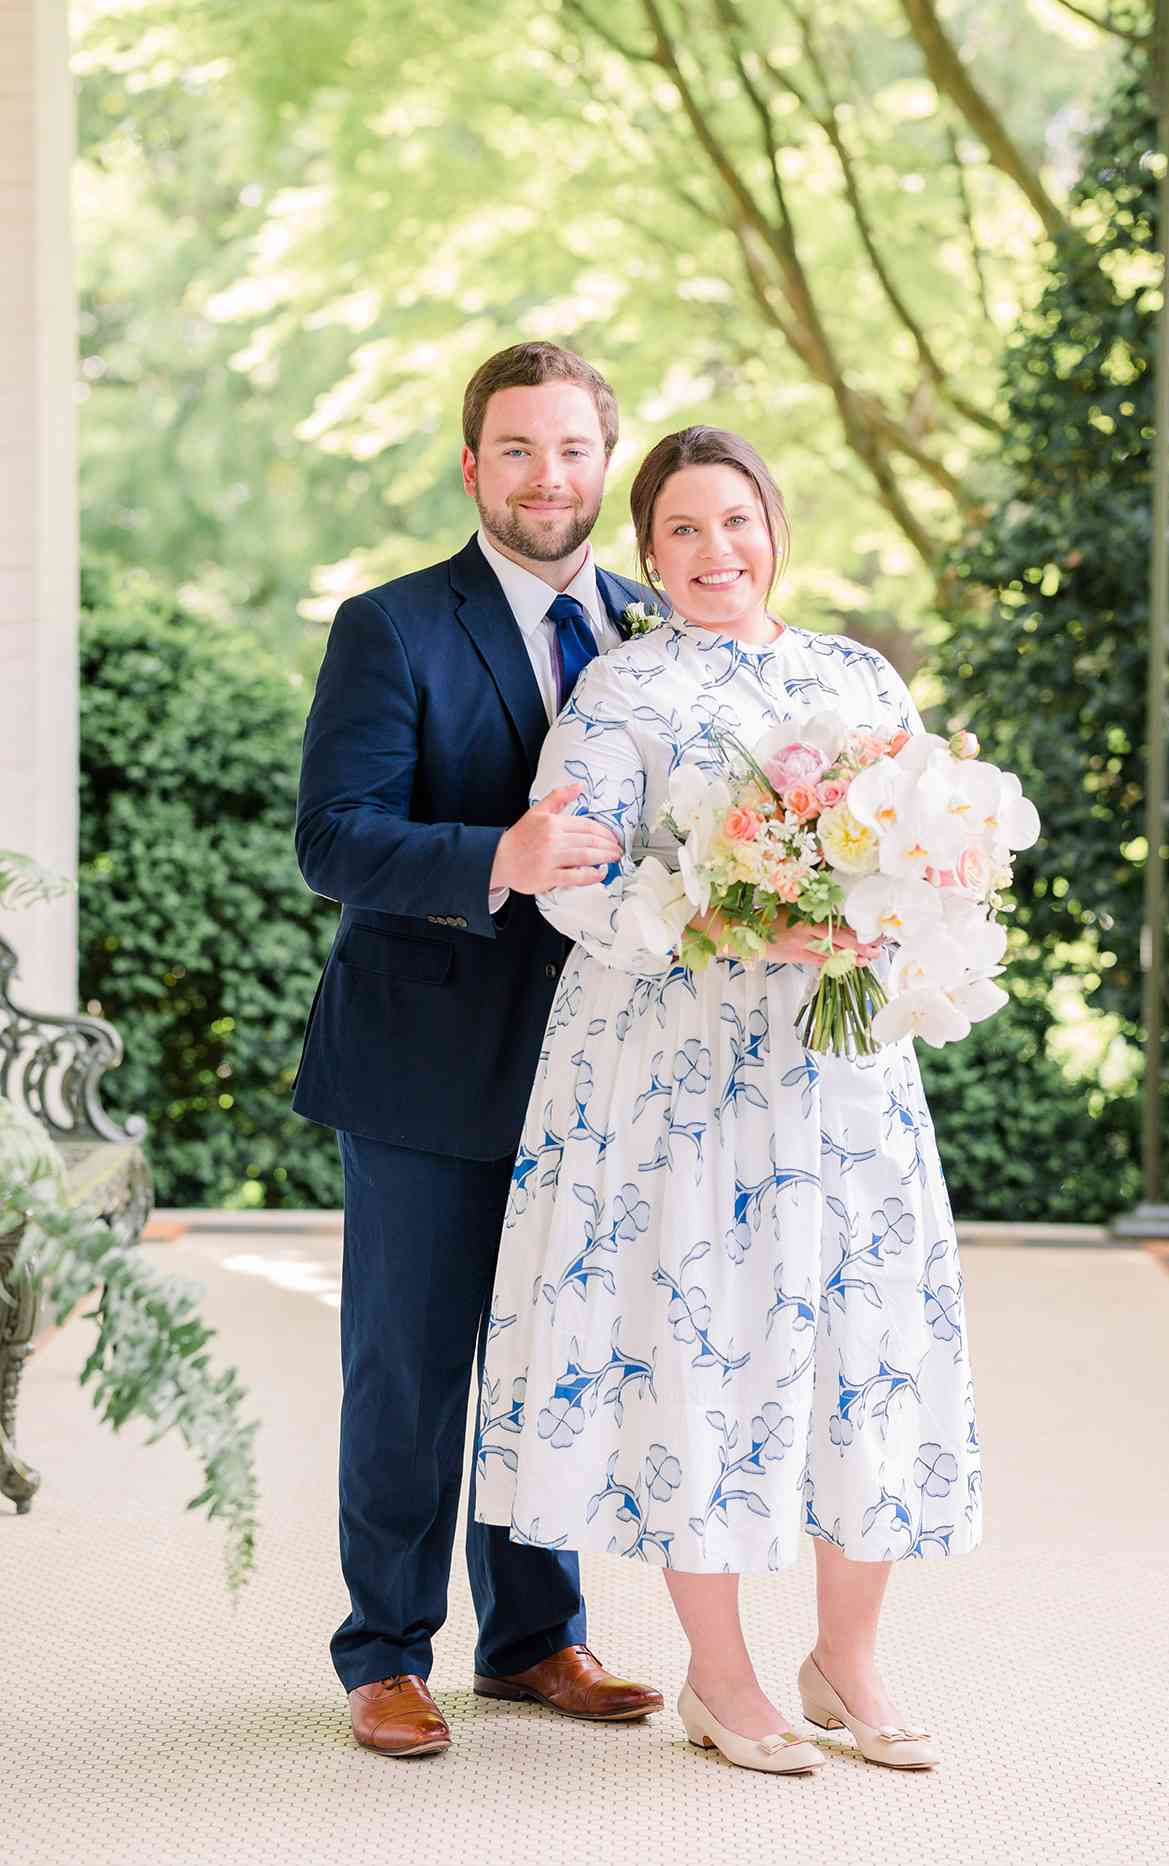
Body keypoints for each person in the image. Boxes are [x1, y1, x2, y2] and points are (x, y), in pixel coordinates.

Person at [475, 427, 982, 1776]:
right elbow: (571, 878)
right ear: (650, 554)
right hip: (683, 1086)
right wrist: (727, 919)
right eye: (684, 530)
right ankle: (723, 1672)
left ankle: (849, 1655)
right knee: (710, 1348)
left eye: (738, 521)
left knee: (863, 1343)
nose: (717, 552)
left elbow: (933, 850)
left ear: (776, 530)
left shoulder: (857, 675)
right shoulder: (621, 694)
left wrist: (886, 918)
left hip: (846, 1078)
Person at [293, 342, 665, 1758]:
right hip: (421, 1064)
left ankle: (532, 1639)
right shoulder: (388, 627)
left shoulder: (650, 623)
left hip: (595, 1070)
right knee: (411, 1365)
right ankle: (385, 1650)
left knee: (553, 1358)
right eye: (517, 449)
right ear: (473, 468)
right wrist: (497, 853)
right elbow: (334, 838)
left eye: (572, 449)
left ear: (602, 464)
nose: (547, 475)